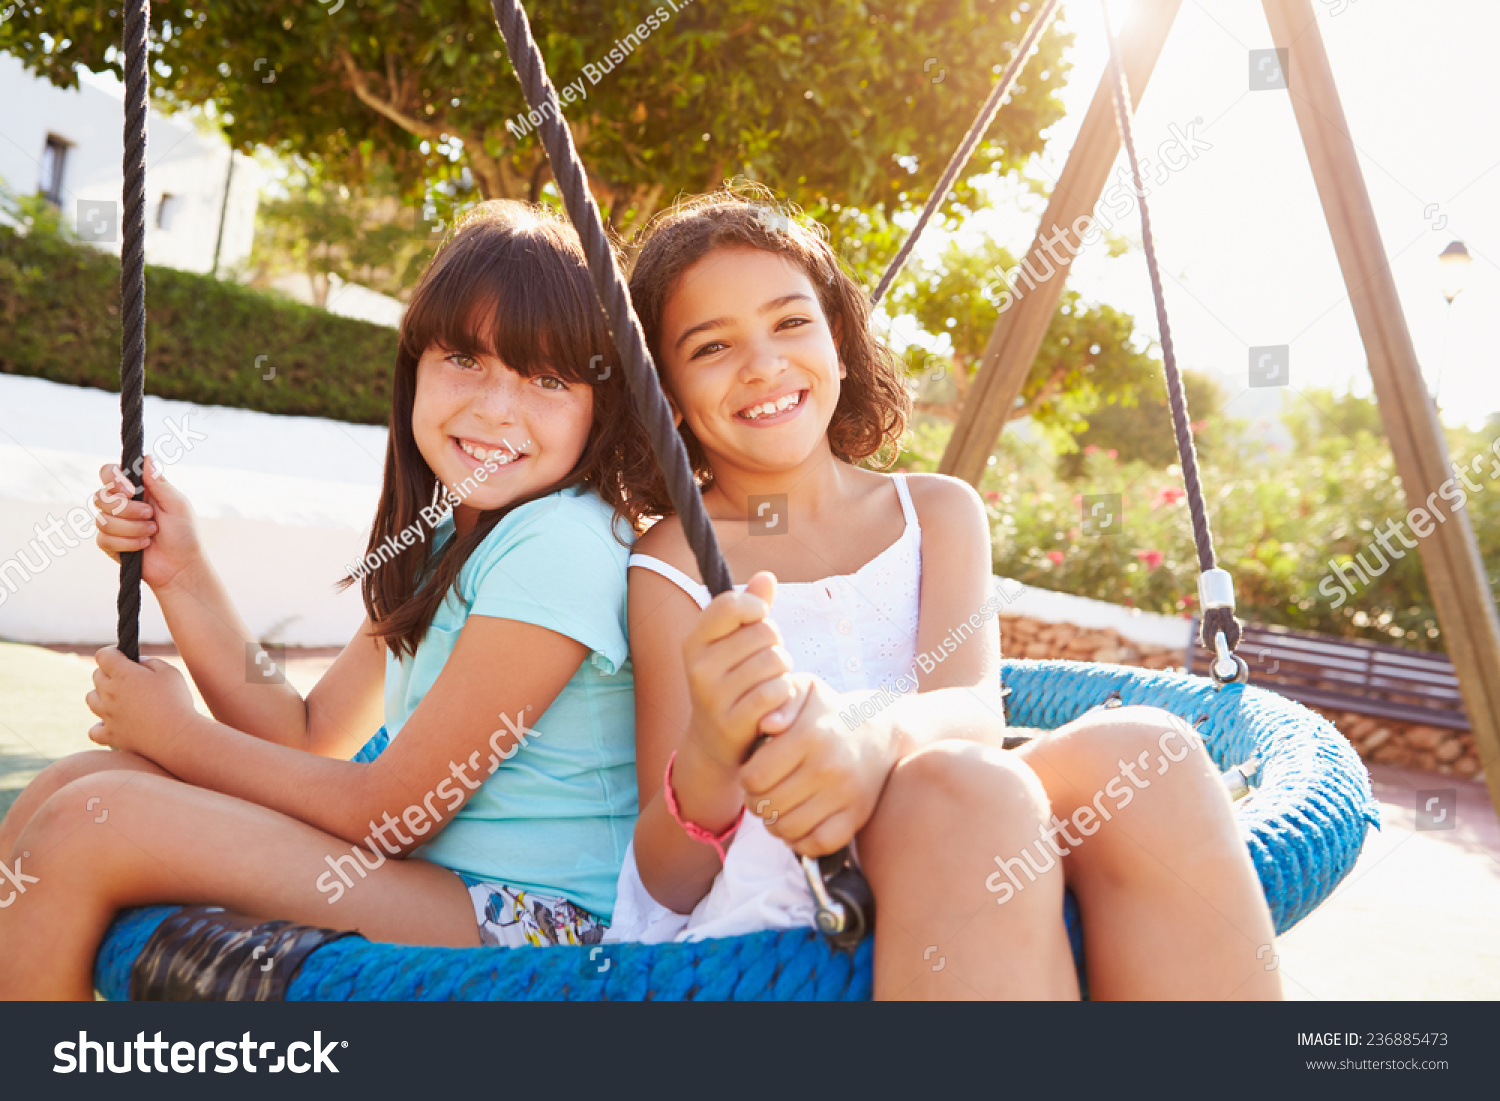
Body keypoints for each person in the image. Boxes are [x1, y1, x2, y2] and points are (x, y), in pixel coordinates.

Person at [605, 187, 1281, 1000]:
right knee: (968, 791)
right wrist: (715, 751)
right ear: (669, 396)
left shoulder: (934, 512)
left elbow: (970, 706)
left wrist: (870, 740)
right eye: (711, 346)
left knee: (1149, 751)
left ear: (842, 344)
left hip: (957, 811)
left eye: (791, 322)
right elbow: (665, 876)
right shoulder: (675, 563)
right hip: (791, 880)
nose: (763, 363)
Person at [0, 201, 650, 999]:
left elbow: (395, 814)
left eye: (548, 378)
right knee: (68, 786)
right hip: (449, 887)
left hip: (544, 926)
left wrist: (178, 735)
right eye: (466, 359)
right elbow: (308, 735)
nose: (496, 407)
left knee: (87, 821)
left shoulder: (562, 543)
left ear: (601, 405)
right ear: (415, 365)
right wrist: (183, 575)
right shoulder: (447, 534)